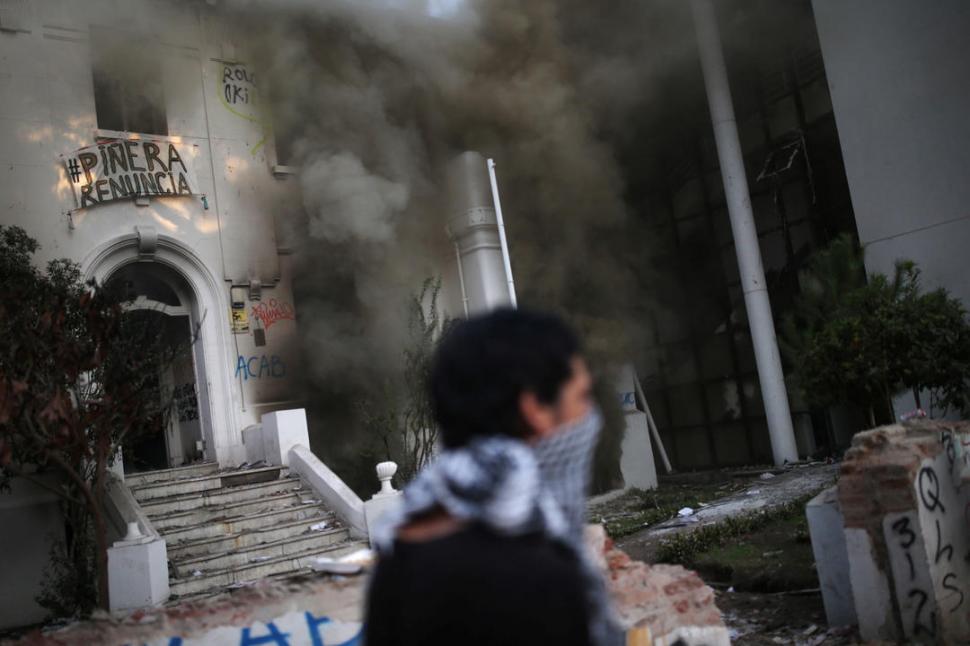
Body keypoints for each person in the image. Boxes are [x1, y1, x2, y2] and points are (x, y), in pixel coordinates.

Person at [364, 308, 623, 646]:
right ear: (535, 410)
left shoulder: (399, 552)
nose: (592, 418)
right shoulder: (541, 575)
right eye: (582, 398)